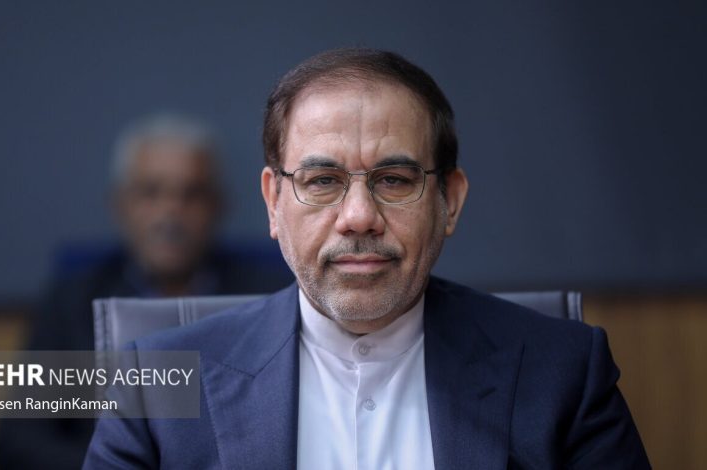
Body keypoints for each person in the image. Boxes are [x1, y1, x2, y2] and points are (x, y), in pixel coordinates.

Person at [83, 49, 650, 469]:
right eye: (322, 180)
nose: (358, 217)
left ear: (449, 202)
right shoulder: (154, 385)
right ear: (274, 203)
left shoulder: (564, 375)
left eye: (395, 179)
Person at [0, 114, 292, 470]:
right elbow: (16, 440)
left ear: (218, 206)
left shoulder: (270, 296)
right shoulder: (73, 302)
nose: (171, 212)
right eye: (151, 192)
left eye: (191, 194)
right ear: (120, 204)